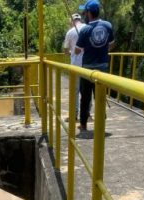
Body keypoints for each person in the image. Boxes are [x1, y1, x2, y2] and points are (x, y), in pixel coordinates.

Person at [75, 0, 115, 133]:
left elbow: (77, 50)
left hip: (88, 69)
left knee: (85, 98)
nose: (84, 14)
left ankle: (84, 125)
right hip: (102, 67)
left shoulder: (85, 30)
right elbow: (111, 44)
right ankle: (100, 124)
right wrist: (103, 49)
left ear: (89, 13)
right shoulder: (108, 25)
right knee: (100, 97)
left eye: (85, 12)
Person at [62, 13, 84, 120]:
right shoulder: (87, 28)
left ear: (72, 21)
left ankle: (75, 114)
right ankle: (87, 112)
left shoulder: (70, 32)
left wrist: (70, 50)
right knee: (87, 90)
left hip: (76, 65)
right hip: (88, 65)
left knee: (75, 90)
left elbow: (66, 51)